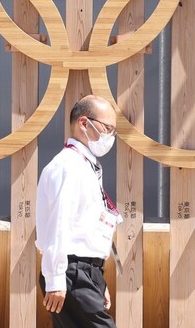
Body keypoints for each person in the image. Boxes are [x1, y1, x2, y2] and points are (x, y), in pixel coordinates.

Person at [36, 94, 121, 327]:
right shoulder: (69, 166)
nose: (110, 136)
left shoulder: (85, 165)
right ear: (84, 123)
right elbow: (59, 224)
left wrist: (97, 281)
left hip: (84, 272)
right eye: (107, 128)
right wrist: (55, 279)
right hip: (72, 271)